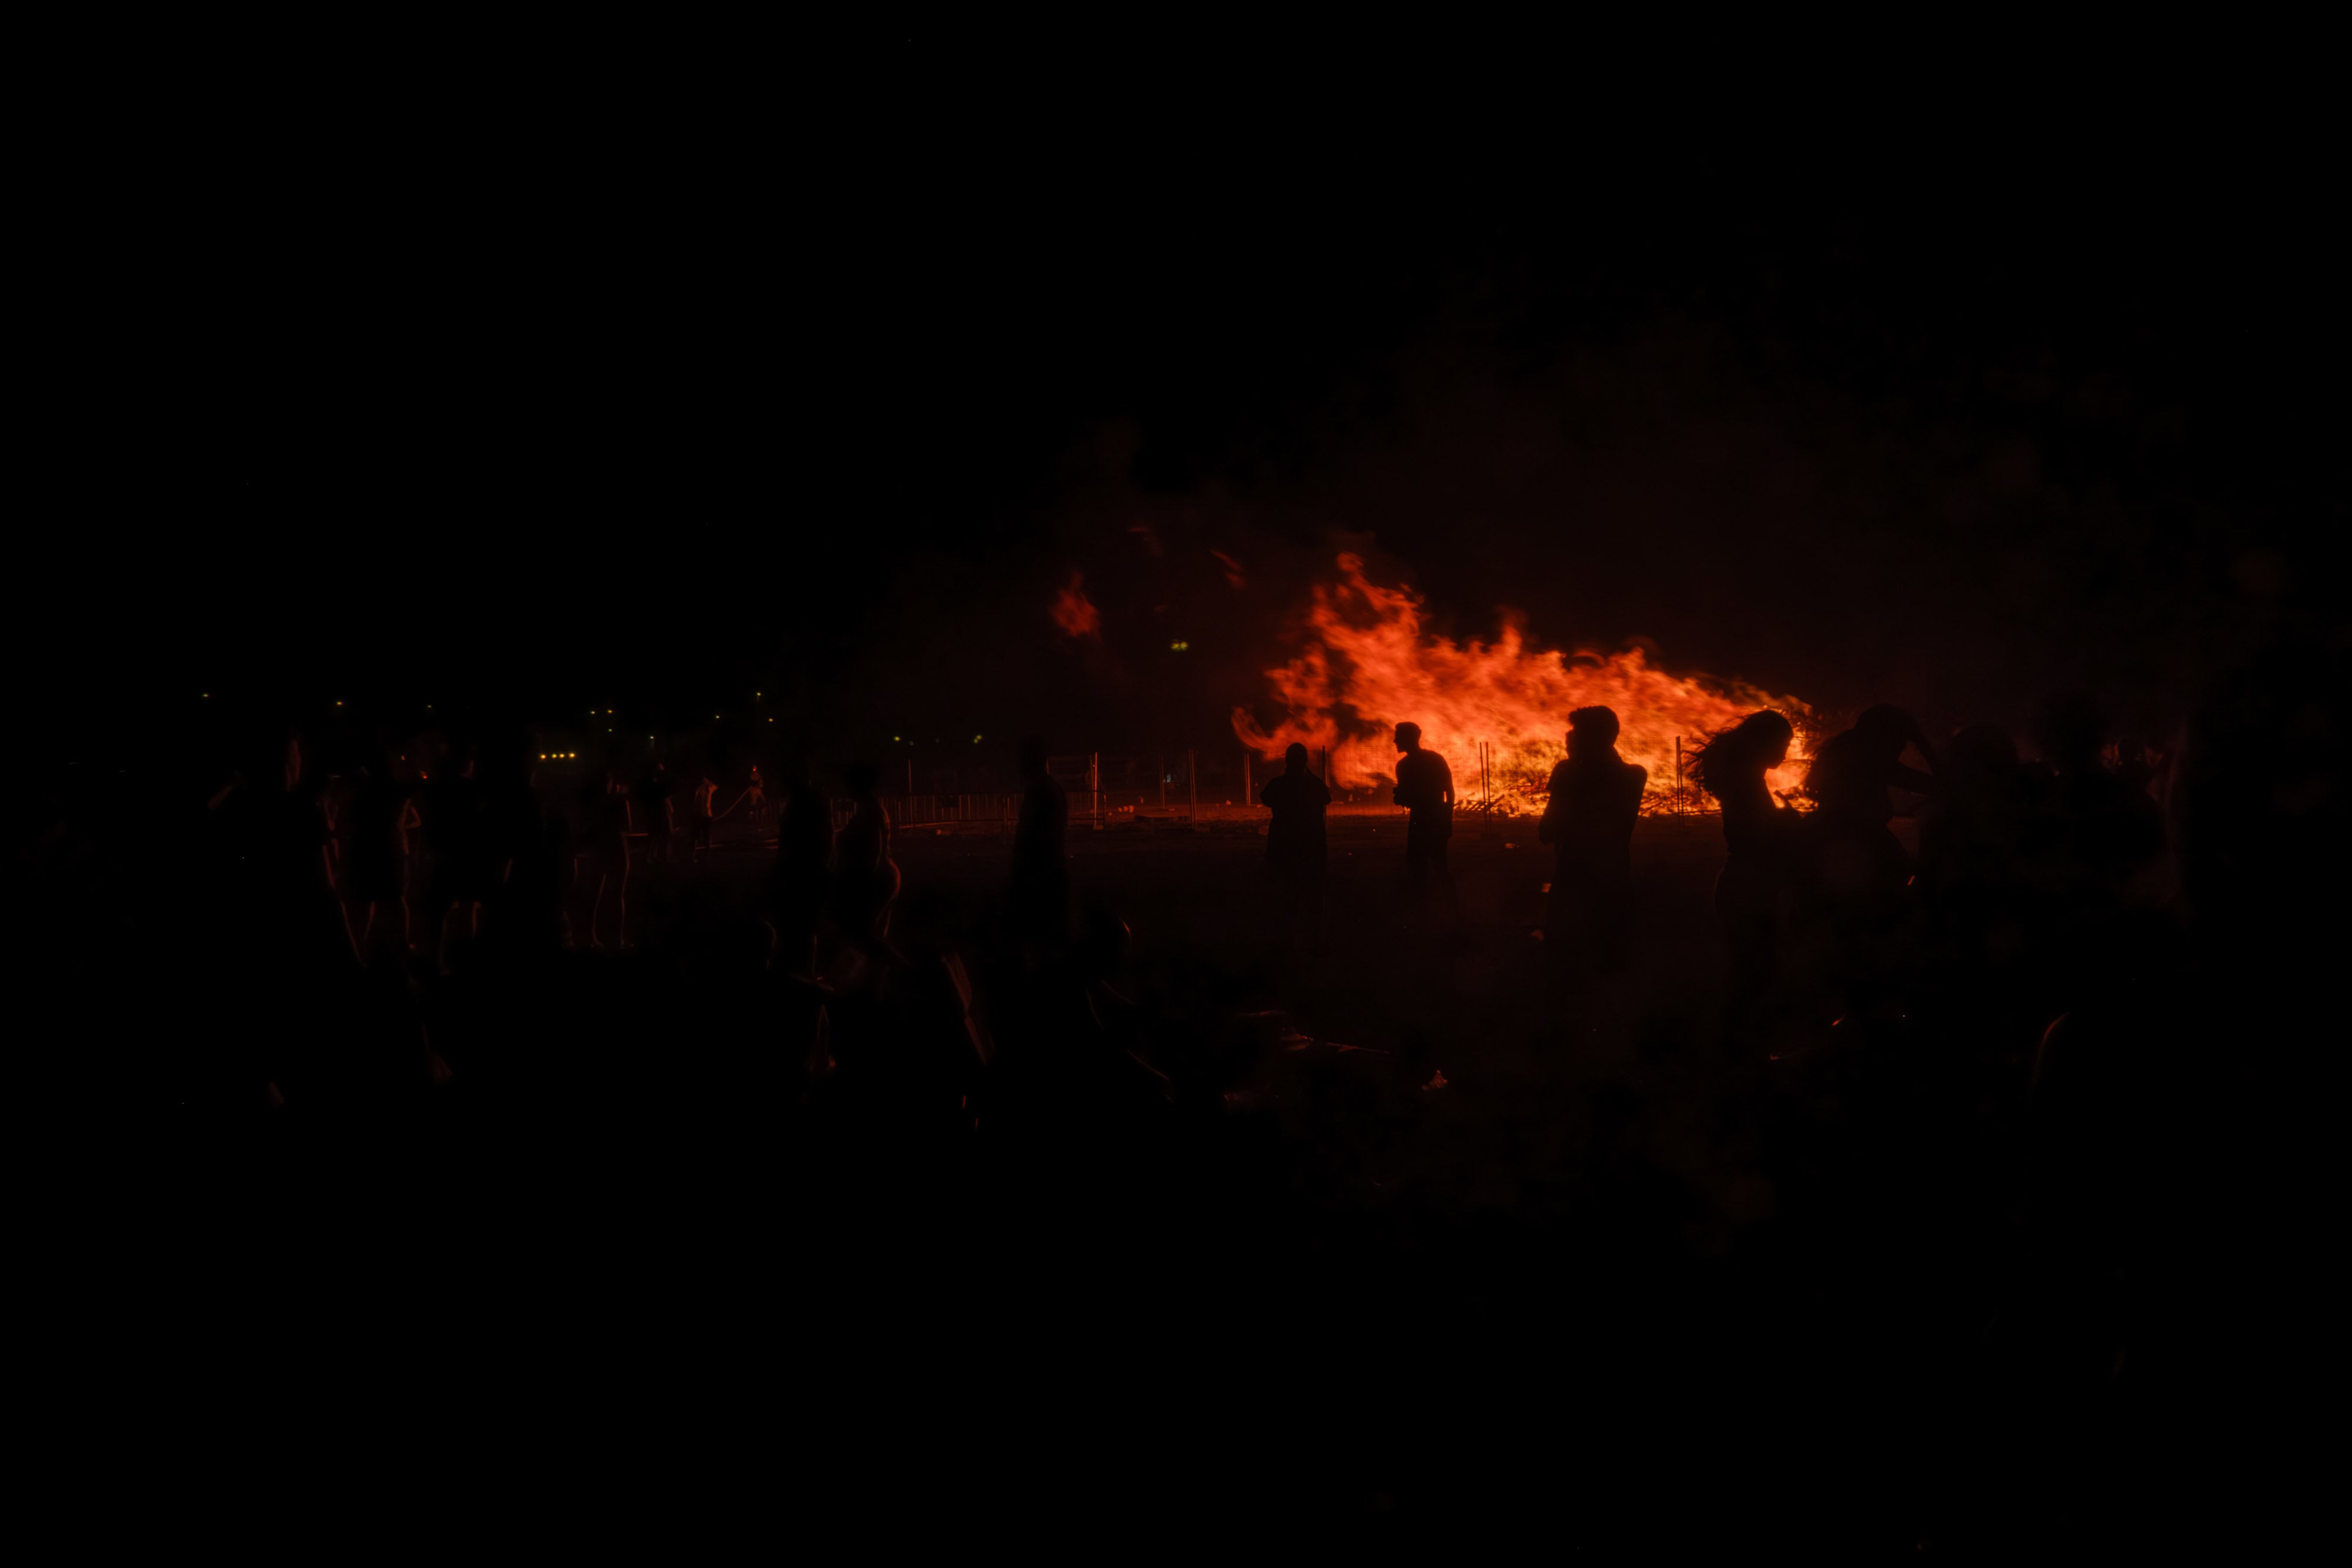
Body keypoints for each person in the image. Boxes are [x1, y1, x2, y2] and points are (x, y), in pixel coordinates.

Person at [1686, 709, 1796, 1029]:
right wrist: (1789, 824)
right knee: (1753, 974)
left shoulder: (1746, 780)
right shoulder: (1746, 784)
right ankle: (1740, 1050)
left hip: (1743, 886)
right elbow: (1755, 836)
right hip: (1747, 888)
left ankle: (1739, 1047)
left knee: (1751, 971)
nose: (1785, 753)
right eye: (1783, 744)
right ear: (1764, 742)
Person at [1539, 706, 1648, 975]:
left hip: (1574, 876)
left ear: (1588, 739)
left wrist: (1568, 772)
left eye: (1576, 735)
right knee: (1613, 952)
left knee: (1569, 957)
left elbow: (1546, 831)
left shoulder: (1571, 777)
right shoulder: (1635, 775)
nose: (1571, 740)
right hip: (1616, 872)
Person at [766, 756, 832, 979]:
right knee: (800, 925)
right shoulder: (805, 800)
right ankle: (804, 972)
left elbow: (822, 836)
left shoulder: (807, 802)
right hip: (800, 869)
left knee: (802, 925)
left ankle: (805, 974)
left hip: (803, 870)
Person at [1259, 742, 1331, 942]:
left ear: (1287, 762)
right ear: (1305, 762)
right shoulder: (1314, 785)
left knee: (1289, 894)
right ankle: (1313, 939)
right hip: (1311, 846)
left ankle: (1287, 940)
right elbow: (1327, 798)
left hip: (1286, 845)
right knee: (1313, 896)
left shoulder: (1279, 784)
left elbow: (1266, 797)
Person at [833, 761, 902, 962]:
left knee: (862, 935)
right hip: (882, 878)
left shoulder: (870, 812)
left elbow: (874, 853)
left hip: (876, 880)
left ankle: (908, 973)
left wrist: (860, 884)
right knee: (872, 937)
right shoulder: (870, 809)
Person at [1011, 735, 1070, 952]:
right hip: (1053, 872)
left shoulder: (1037, 791)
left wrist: (1019, 874)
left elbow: (1029, 836)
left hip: (1041, 877)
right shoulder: (1052, 788)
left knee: (1041, 944)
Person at [1391, 722, 1454, 913]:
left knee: (1418, 865)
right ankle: (1449, 907)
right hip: (1436, 818)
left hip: (1420, 820)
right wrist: (1447, 819)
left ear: (1409, 738)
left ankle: (1424, 908)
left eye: (1398, 736)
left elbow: (1407, 797)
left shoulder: (1404, 766)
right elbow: (1450, 793)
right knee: (1439, 865)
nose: (1395, 741)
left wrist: (1400, 797)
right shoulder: (1435, 759)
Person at [577, 770, 631, 950]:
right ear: (609, 783)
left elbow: (585, 827)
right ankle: (617, 940)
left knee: (592, 895)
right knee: (617, 895)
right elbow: (627, 826)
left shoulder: (590, 804)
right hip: (617, 848)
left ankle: (590, 938)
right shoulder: (618, 801)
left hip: (598, 849)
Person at [636, 761, 675, 867]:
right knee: (658, 835)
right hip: (658, 812)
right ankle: (660, 857)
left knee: (657, 835)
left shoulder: (657, 783)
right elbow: (662, 796)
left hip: (660, 812)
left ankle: (656, 856)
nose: (663, 772)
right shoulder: (655, 783)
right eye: (661, 770)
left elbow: (665, 796)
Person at [689, 772, 718, 860]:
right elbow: (716, 786)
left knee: (697, 837)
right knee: (705, 837)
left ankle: (695, 857)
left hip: (700, 816)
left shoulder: (700, 789)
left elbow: (694, 803)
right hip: (705, 816)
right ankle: (704, 857)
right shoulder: (709, 788)